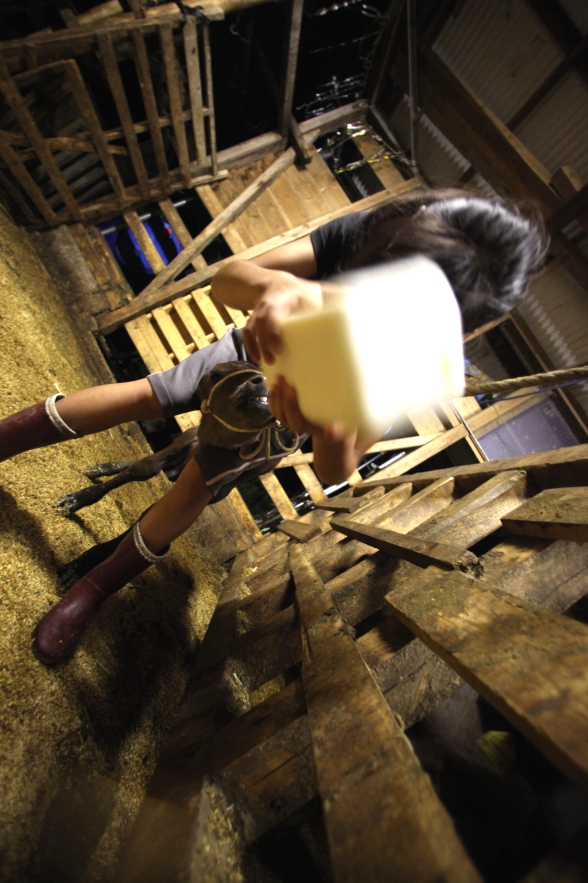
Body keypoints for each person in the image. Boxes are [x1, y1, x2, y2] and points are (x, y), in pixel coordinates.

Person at [0, 187, 547, 664]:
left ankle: (95, 587)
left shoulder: (418, 359)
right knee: (146, 396)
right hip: (248, 352)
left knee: (194, 488)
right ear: (410, 228)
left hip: (283, 416)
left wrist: (330, 424)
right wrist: (274, 289)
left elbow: (336, 467)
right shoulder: (364, 232)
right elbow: (226, 282)